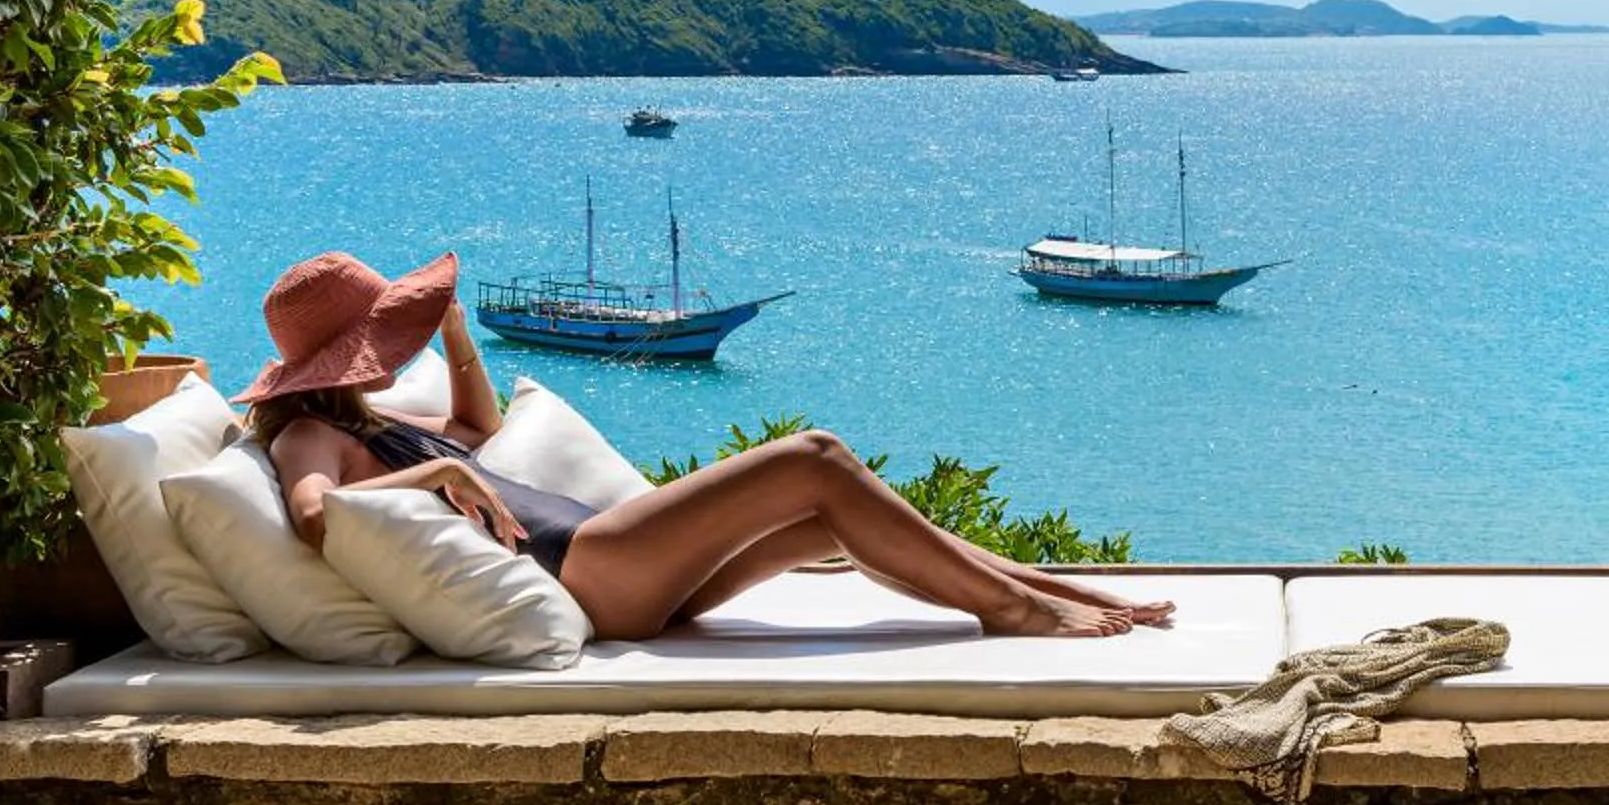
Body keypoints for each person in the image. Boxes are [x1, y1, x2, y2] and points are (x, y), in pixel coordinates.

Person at [239, 249, 1172, 639]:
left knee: (822, 523)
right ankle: (1017, 612)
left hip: (615, 564)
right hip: (589, 570)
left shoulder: (372, 421)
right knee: (813, 457)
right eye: (383, 339)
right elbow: (317, 518)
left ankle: (1034, 586)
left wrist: (454, 341)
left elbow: (482, 430)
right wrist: (434, 476)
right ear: (335, 361)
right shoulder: (313, 434)